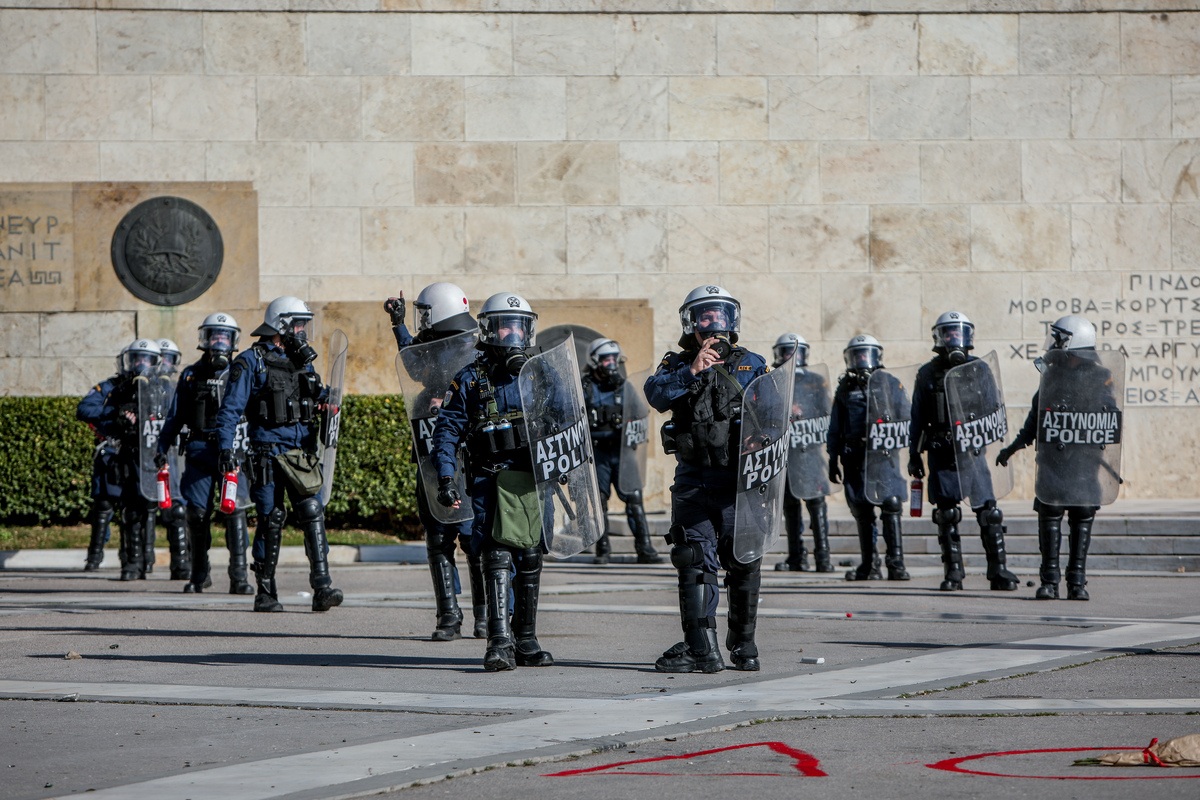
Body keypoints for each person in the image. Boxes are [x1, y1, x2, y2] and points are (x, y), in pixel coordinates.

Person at [644, 285, 770, 673]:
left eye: (720, 316)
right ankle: (704, 649)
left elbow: (774, 413)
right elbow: (655, 394)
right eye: (705, 317)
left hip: (739, 486)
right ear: (691, 324)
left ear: (732, 320)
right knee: (694, 561)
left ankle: (744, 645)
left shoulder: (752, 363)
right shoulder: (677, 364)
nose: (713, 324)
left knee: (745, 561)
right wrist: (692, 369)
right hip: (695, 483)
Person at [430, 292, 556, 672]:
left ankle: (526, 638)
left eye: (518, 326)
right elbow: (446, 432)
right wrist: (447, 477)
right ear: (488, 330)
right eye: (503, 325)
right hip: (491, 478)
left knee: (530, 554)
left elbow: (568, 418)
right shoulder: (470, 378)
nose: (511, 334)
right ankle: (499, 641)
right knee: (497, 553)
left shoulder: (541, 373)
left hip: (532, 480)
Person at [213, 297, 342, 613]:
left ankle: (322, 588)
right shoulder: (250, 361)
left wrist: (327, 402)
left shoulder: (303, 361)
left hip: (299, 453)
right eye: (298, 324)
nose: (303, 330)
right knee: (271, 519)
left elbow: (318, 393)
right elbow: (229, 410)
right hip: (266, 454)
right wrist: (226, 449)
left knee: (312, 509)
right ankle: (266, 593)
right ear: (281, 325)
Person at [386, 284, 488, 641]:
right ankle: (449, 616)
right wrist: (399, 325)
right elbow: (414, 366)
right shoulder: (438, 345)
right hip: (432, 450)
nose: (422, 319)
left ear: (441, 311)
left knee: (473, 537)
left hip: (468, 455)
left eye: (425, 312)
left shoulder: (472, 348)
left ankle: (484, 616)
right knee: (437, 534)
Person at [995, 315, 1117, 601]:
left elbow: (1111, 417)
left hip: (1084, 463)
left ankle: (1077, 582)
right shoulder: (1052, 373)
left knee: (1082, 516)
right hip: (1053, 461)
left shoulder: (1100, 377)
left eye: (1059, 338)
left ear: (1075, 341)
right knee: (1049, 515)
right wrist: (1013, 447)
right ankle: (1049, 581)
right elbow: (1035, 418)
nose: (1054, 343)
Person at [909, 312, 1019, 592]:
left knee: (989, 512)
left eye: (958, 333)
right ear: (940, 337)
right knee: (946, 513)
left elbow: (994, 408)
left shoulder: (980, 368)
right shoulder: (927, 373)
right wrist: (914, 454)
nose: (953, 338)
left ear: (967, 337)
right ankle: (954, 573)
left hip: (972, 451)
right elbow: (918, 417)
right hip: (942, 451)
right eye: (948, 333)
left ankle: (998, 570)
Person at [155, 315, 254, 595]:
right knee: (197, 514)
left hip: (233, 453)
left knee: (235, 513)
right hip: (199, 452)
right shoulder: (189, 375)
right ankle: (199, 575)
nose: (219, 342)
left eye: (225, 337)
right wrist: (161, 448)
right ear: (205, 340)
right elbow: (174, 418)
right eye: (214, 336)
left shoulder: (242, 371)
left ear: (233, 341)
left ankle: (239, 577)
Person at [77, 338, 164, 581]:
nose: (140, 364)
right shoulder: (116, 388)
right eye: (136, 358)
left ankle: (152, 560)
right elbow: (87, 410)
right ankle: (122, 561)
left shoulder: (164, 389)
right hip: (122, 454)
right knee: (115, 507)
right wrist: (117, 416)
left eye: (146, 359)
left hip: (154, 457)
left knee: (159, 509)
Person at [827, 335, 911, 581]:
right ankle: (869, 565)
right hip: (854, 457)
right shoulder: (845, 388)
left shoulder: (890, 383)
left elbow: (906, 417)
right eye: (857, 355)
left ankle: (896, 564)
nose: (862, 359)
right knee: (862, 510)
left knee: (891, 505)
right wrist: (833, 458)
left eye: (866, 354)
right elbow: (835, 427)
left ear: (876, 356)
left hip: (883, 457)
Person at [582, 337, 661, 566]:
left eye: (614, 359)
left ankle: (645, 549)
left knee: (634, 498)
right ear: (595, 360)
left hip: (622, 451)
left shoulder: (625, 386)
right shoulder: (584, 386)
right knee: (600, 502)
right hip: (597, 453)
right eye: (606, 359)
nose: (611, 364)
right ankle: (603, 550)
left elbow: (640, 413)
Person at [772, 333, 834, 574]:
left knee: (816, 503)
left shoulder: (816, 380)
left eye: (795, 351)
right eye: (787, 351)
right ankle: (797, 556)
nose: (791, 356)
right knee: (790, 505)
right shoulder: (773, 379)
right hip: (786, 454)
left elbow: (827, 412)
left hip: (809, 451)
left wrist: (804, 413)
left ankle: (824, 557)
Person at [79, 347, 128, 571]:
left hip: (137, 454)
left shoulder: (151, 388)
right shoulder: (108, 387)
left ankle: (133, 558)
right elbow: (84, 409)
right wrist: (111, 412)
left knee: (135, 508)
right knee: (103, 505)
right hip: (110, 452)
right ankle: (94, 557)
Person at [154, 338, 190, 580]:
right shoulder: (143, 388)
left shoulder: (181, 384)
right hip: (151, 454)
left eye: (170, 358)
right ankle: (140, 562)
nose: (166, 364)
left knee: (178, 509)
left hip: (177, 453)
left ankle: (181, 564)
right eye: (162, 358)